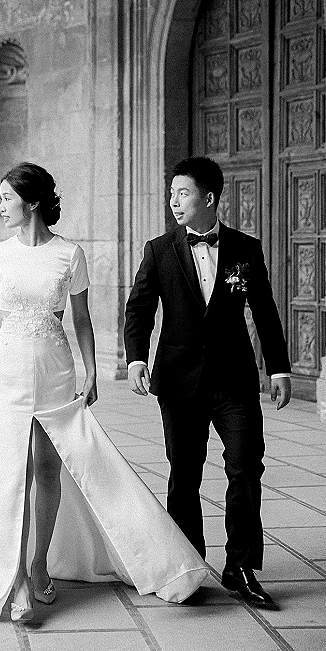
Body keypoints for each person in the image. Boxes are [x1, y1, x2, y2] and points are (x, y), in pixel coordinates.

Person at [0, 162, 208, 622]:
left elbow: (81, 320)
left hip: (56, 367)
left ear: (33, 203)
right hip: (8, 370)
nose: (0, 206)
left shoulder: (69, 254)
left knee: (50, 466)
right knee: (13, 470)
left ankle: (39, 563)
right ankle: (14, 579)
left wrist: (92, 371)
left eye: (7, 198)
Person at [124, 156, 292, 608]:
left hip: (234, 379)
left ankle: (240, 567)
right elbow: (139, 308)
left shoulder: (245, 248)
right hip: (179, 381)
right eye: (172, 193)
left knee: (245, 468)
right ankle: (188, 566)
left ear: (210, 198)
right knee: (184, 473)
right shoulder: (158, 250)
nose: (174, 201)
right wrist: (136, 357)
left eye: (183, 193)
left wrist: (278, 368)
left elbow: (265, 310)